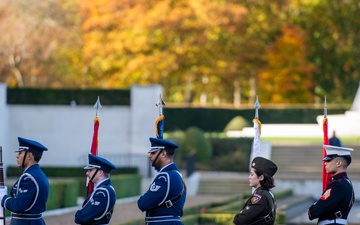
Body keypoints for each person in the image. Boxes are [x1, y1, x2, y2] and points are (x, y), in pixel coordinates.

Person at [138, 137, 187, 224]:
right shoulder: (175, 174)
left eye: (153, 153)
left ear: (163, 153)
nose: (150, 155)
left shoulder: (165, 177)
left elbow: (143, 203)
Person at [1, 137, 49, 225]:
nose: (17, 156)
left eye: (20, 153)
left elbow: (19, 206)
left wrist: (3, 198)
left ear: (29, 155)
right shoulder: (39, 174)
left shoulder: (29, 178)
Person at [308, 145, 354, 225]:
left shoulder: (337, 185)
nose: (325, 163)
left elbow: (313, 212)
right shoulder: (346, 182)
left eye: (328, 161)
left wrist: (314, 206)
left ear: (339, 163)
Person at [233, 156, 278, 225]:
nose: (249, 177)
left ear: (261, 177)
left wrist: (236, 217)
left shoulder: (261, 196)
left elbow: (240, 220)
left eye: (252, 174)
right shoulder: (267, 193)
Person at [75, 154, 117, 224]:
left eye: (90, 170)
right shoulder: (104, 189)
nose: (87, 173)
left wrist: (78, 214)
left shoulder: (102, 192)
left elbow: (81, 218)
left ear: (100, 172)